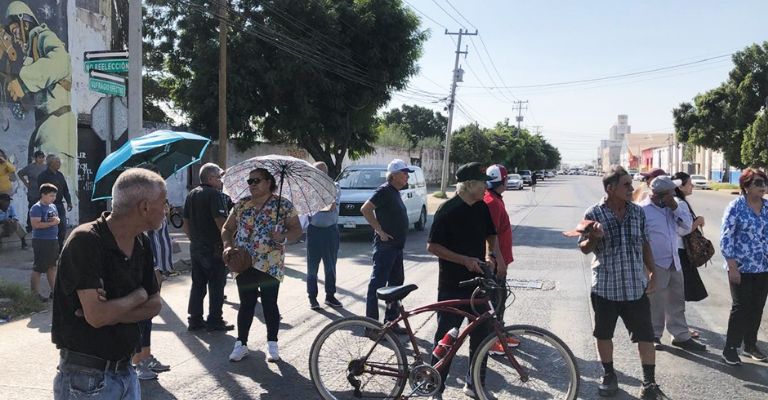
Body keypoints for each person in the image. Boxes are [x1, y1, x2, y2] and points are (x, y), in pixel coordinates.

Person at [51, 168, 164, 400]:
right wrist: (138, 296)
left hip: (126, 372)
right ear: (144, 207)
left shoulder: (141, 241)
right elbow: (98, 316)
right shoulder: (85, 241)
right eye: (164, 202)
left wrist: (111, 311)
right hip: (86, 379)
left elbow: (155, 305)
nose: (167, 210)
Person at [578, 165, 668, 399]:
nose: (632, 188)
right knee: (604, 334)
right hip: (606, 287)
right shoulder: (593, 213)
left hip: (634, 286)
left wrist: (652, 271)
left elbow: (645, 243)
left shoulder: (637, 213)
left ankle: (649, 382)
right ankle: (608, 374)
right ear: (610, 188)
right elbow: (583, 248)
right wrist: (594, 239)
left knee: (646, 336)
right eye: (626, 184)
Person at [426, 162, 502, 399]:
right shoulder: (448, 210)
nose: (485, 189)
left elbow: (491, 234)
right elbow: (432, 246)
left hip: (479, 282)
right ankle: (434, 386)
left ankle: (475, 384)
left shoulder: (481, 207)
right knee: (447, 336)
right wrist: (463, 260)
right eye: (482, 185)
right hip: (452, 284)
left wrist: (493, 255)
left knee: (482, 336)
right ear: (469, 185)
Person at [222, 167, 302, 362]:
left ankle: (272, 344)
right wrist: (227, 246)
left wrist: (282, 237)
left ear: (268, 182)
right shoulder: (241, 205)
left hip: (270, 263)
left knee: (269, 303)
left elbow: (297, 231)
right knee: (246, 303)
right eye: (250, 182)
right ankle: (241, 344)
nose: (252, 185)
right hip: (244, 262)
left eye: (256, 181)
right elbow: (227, 227)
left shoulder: (283, 205)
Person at [4, 1, 76, 178]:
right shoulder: (33, 52)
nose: (16, 38)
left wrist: (23, 82)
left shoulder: (44, 36)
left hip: (56, 126)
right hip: (44, 127)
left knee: (55, 189)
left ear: (25, 23)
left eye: (16, 31)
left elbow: (61, 61)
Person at [640, 176, 705, 353]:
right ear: (659, 195)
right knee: (655, 301)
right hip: (655, 263)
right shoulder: (642, 210)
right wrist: (646, 266)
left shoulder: (673, 207)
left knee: (676, 300)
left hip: (674, 261)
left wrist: (675, 207)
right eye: (669, 193)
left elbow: (685, 227)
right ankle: (653, 335)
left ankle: (681, 336)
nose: (673, 195)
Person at [720, 167, 768, 365]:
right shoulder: (736, 207)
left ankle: (750, 345)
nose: (763, 187)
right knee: (741, 307)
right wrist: (732, 266)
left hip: (763, 267)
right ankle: (730, 347)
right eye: (758, 183)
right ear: (746, 186)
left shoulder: (766, 207)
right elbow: (726, 237)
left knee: (757, 307)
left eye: (764, 182)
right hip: (741, 267)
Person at [360, 159, 413, 334]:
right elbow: (366, 209)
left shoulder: (395, 192)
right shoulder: (384, 190)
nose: (407, 176)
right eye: (404, 173)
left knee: (396, 285)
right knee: (377, 286)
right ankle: (371, 326)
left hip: (396, 247)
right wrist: (380, 231)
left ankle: (391, 321)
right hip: (386, 247)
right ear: (395, 175)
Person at [132, 167, 174, 380]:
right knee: (141, 314)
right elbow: (142, 240)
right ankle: (137, 360)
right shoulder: (142, 208)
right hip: (149, 268)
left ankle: (146, 356)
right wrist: (155, 268)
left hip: (159, 266)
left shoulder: (159, 202)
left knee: (148, 314)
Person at [183, 163, 233, 332]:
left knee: (198, 284)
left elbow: (185, 223)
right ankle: (214, 320)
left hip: (196, 247)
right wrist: (229, 242)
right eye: (219, 177)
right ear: (211, 178)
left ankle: (195, 319)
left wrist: (195, 240)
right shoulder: (214, 195)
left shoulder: (192, 194)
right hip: (213, 247)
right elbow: (221, 223)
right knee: (216, 284)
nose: (221, 180)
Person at [482, 164, 519, 354]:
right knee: (495, 301)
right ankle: (492, 342)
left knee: (499, 299)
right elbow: (491, 235)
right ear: (503, 181)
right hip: (495, 263)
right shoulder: (492, 203)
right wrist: (499, 261)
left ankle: (500, 334)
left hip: (498, 260)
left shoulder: (493, 199)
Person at [671, 172, 708, 339]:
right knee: (680, 293)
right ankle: (679, 329)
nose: (692, 186)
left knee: (679, 292)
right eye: (689, 183)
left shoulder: (676, 202)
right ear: (680, 186)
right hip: (680, 252)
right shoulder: (679, 204)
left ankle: (680, 326)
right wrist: (698, 221)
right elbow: (682, 230)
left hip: (677, 251)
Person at [306, 161, 342, 309]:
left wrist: (316, 201)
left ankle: (330, 295)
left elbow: (330, 206)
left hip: (330, 231)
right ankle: (312, 297)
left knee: (330, 265)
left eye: (319, 173)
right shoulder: (308, 189)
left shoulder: (335, 187)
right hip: (314, 230)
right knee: (312, 266)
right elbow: (305, 207)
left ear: (325, 174)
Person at [29, 183, 58, 301]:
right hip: (41, 241)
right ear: (43, 195)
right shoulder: (36, 208)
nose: (53, 198)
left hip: (53, 240)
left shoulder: (53, 206)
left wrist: (57, 220)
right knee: (39, 268)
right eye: (51, 196)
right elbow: (35, 225)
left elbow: (56, 219)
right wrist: (52, 223)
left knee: (51, 266)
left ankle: (54, 291)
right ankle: (34, 294)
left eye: (54, 196)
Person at [38, 154, 72, 250]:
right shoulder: (43, 176)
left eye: (59, 162)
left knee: (62, 228)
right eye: (57, 162)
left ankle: (60, 247)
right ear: (50, 164)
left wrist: (69, 201)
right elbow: (41, 192)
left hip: (60, 205)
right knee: (51, 229)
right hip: (49, 206)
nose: (59, 164)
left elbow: (65, 189)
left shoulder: (60, 175)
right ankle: (50, 249)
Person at [17, 150, 47, 231]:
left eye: (42, 157)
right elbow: (20, 173)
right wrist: (26, 183)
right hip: (33, 192)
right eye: (39, 158)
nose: (41, 159)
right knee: (32, 208)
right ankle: (30, 226)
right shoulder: (30, 167)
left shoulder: (46, 167)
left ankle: (42, 225)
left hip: (43, 192)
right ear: (35, 158)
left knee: (43, 208)